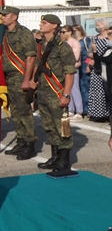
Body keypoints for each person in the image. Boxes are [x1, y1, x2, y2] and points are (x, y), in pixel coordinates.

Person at [29, 15, 76, 173]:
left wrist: (66, 95)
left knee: (62, 127)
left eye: (44, 23)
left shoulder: (63, 47)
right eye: (41, 22)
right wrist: (34, 81)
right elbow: (38, 66)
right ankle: (55, 157)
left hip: (57, 91)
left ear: (55, 25)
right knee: (49, 126)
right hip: (43, 91)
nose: (41, 25)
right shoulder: (41, 45)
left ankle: (64, 160)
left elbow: (69, 73)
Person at [0, 6, 37, 160]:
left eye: (6, 15)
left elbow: (31, 57)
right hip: (8, 77)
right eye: (2, 15)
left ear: (14, 17)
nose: (2, 17)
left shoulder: (24, 33)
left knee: (24, 111)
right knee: (15, 112)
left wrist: (27, 79)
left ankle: (30, 144)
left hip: (20, 75)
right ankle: (21, 140)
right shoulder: (4, 34)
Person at [87, 19, 112, 122]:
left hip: (107, 67)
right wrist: (89, 62)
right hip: (97, 69)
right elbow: (88, 54)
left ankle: (109, 114)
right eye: (96, 25)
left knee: (108, 92)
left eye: (99, 25)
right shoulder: (95, 38)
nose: (97, 27)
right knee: (98, 92)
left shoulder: (109, 38)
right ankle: (99, 114)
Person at [60, 25, 83, 121]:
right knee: (68, 89)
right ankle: (71, 109)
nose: (61, 34)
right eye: (61, 32)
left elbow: (76, 57)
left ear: (70, 32)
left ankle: (79, 111)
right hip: (65, 68)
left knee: (75, 89)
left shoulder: (74, 42)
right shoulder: (64, 43)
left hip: (73, 68)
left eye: (63, 32)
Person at [73, 25, 91, 116]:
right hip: (76, 67)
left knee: (86, 88)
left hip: (84, 66)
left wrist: (88, 65)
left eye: (76, 30)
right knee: (78, 88)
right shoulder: (73, 41)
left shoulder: (85, 40)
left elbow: (89, 54)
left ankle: (87, 109)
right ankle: (79, 108)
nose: (75, 32)